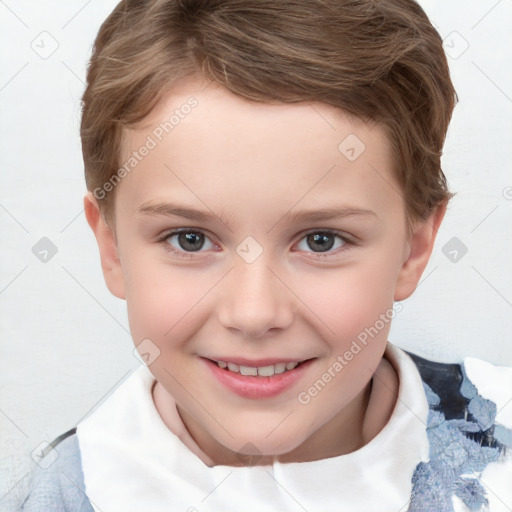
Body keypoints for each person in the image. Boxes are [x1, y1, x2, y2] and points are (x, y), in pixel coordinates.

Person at [18, 0, 512, 510]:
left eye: (321, 240)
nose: (253, 313)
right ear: (113, 250)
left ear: (414, 249)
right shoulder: (67, 495)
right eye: (189, 239)